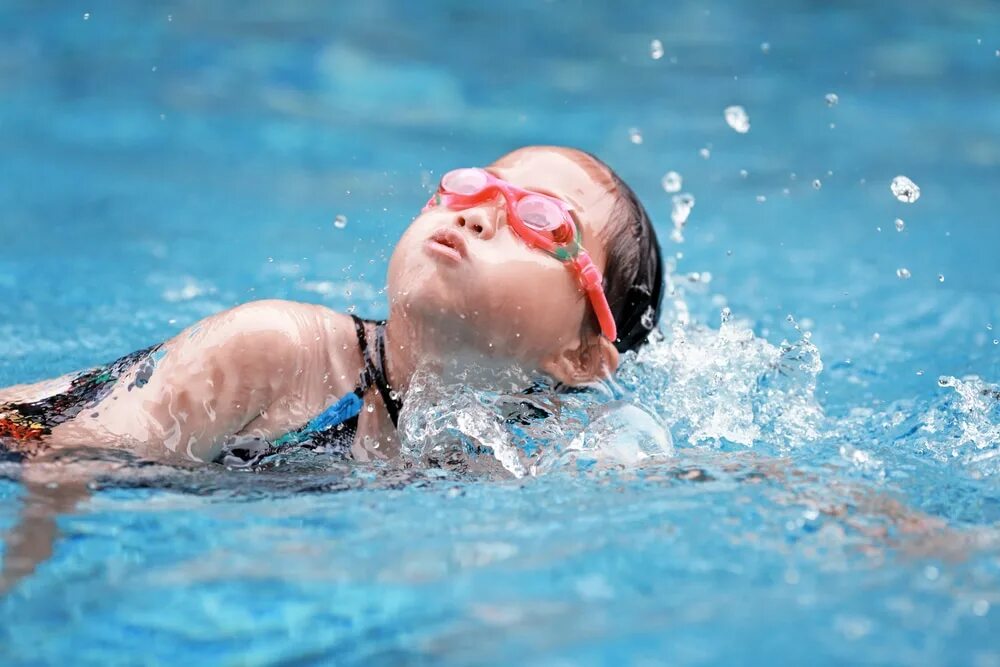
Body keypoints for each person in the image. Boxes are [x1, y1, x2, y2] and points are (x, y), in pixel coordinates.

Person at [0, 145, 664, 466]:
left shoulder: (495, 458)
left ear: (580, 355)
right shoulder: (276, 349)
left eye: (544, 220)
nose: (481, 216)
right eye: (476, 186)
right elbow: (63, 460)